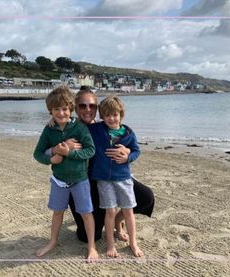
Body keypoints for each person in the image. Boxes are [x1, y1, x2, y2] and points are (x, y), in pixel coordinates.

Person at [50, 86, 154, 246]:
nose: (87, 109)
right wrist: (58, 144)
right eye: (82, 106)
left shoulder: (103, 127)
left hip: (110, 177)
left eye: (91, 106)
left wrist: (127, 152)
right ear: (75, 108)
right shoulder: (69, 128)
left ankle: (119, 221)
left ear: (97, 109)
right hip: (82, 183)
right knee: (87, 236)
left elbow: (126, 135)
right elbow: (47, 146)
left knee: (146, 197)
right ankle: (105, 219)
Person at [33, 86, 98, 262]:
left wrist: (70, 153)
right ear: (50, 111)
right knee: (57, 212)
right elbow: (37, 154)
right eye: (56, 110)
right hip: (59, 180)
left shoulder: (79, 128)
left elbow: (90, 150)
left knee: (86, 213)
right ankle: (52, 242)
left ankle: (91, 246)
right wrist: (51, 160)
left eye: (64, 109)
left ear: (71, 108)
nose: (61, 113)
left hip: (80, 179)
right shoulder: (49, 130)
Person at [88, 95, 143, 257]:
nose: (111, 118)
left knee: (128, 211)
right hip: (104, 180)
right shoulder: (96, 130)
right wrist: (53, 121)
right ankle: (111, 245)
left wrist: (127, 156)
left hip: (124, 178)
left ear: (121, 115)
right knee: (110, 211)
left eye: (115, 114)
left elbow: (136, 151)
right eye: (107, 115)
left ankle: (133, 243)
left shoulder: (128, 133)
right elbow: (76, 125)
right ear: (102, 116)